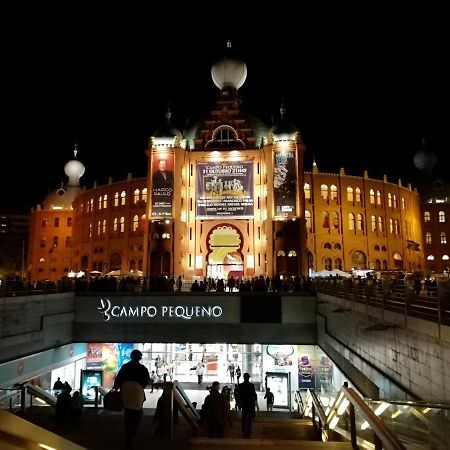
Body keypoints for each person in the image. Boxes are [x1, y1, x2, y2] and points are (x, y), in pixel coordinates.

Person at [113, 349, 150, 450]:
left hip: (125, 390)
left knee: (128, 413)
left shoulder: (125, 366)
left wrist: (117, 388)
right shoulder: (142, 368)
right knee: (137, 413)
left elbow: (118, 379)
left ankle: (129, 435)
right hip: (137, 391)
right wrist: (139, 387)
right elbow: (146, 381)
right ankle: (132, 434)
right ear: (139, 358)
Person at [238, 372, 257, 438]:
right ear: (248, 378)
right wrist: (255, 401)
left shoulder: (241, 385)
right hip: (250, 403)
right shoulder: (251, 385)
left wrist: (239, 403)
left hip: (244, 403)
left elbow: (239, 395)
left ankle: (244, 431)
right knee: (249, 418)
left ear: (244, 377)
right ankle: (248, 431)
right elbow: (254, 394)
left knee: (244, 418)